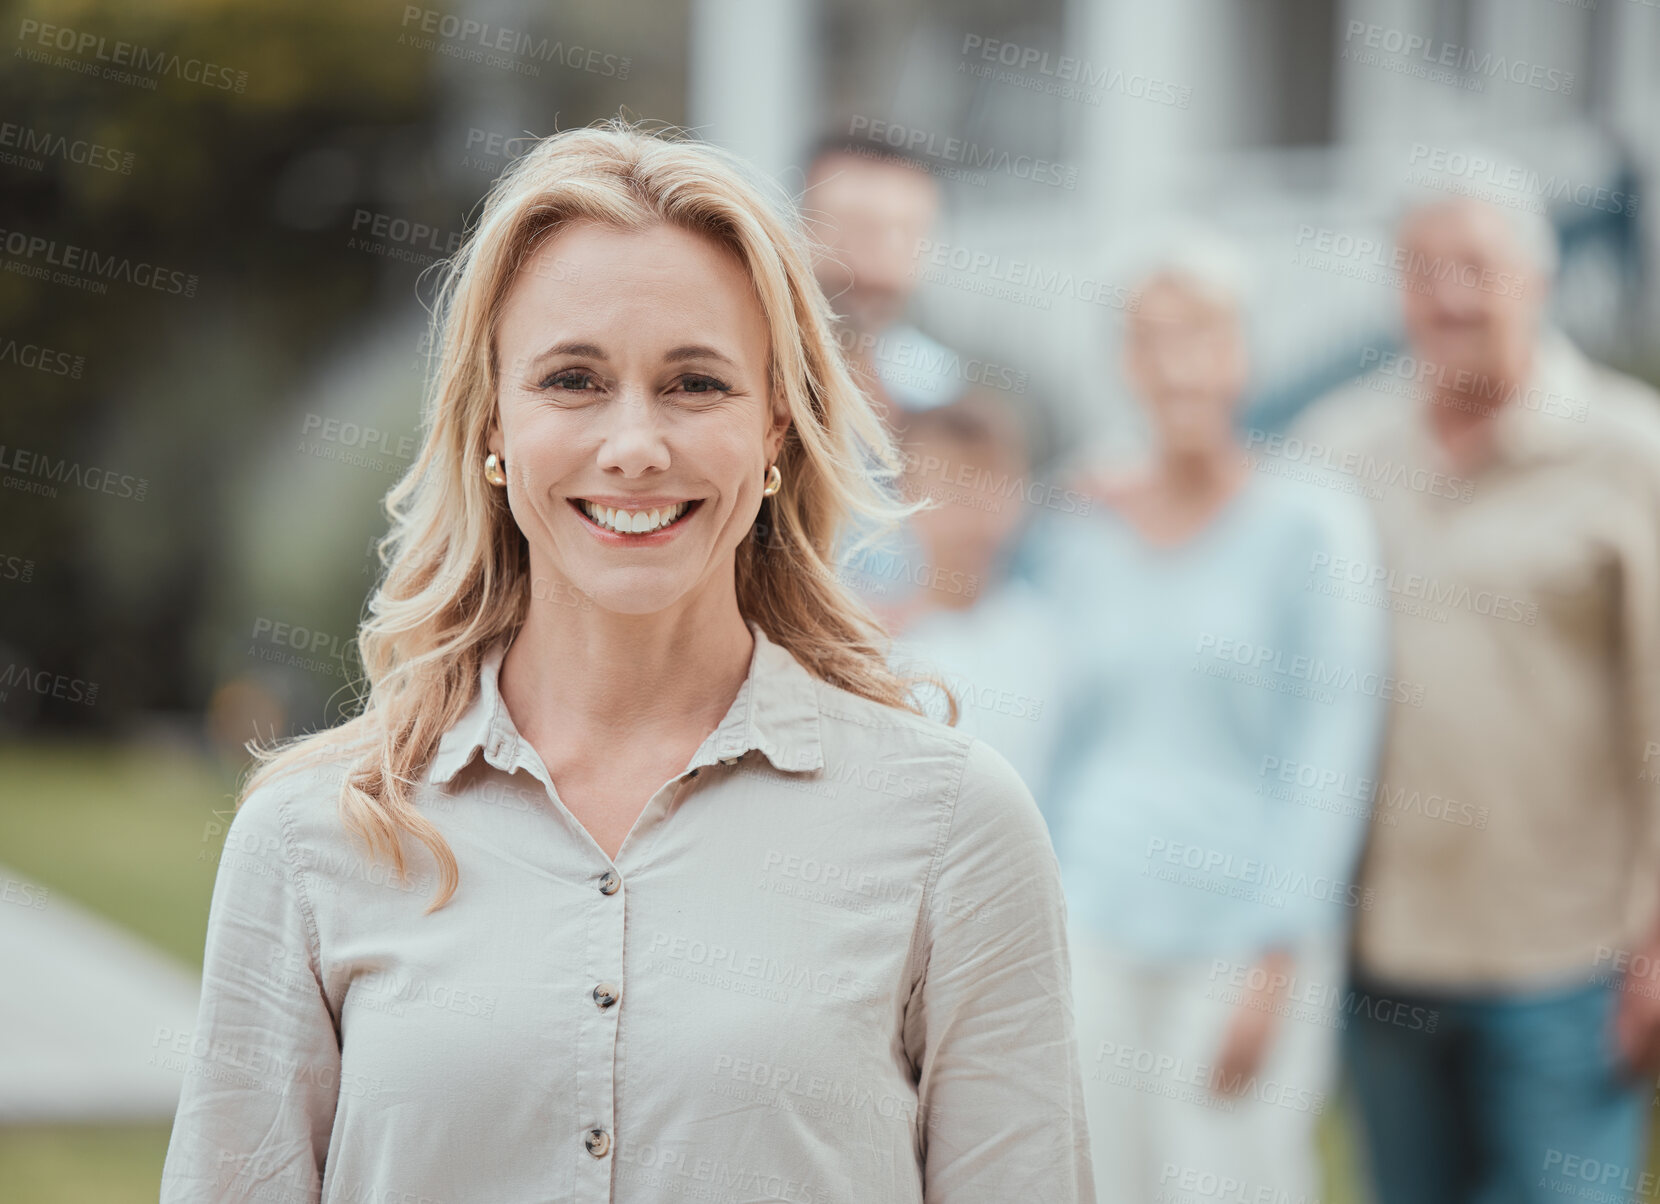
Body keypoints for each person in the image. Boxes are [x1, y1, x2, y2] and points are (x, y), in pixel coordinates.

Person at [160, 121, 1094, 1203]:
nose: (635, 444)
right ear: (490, 427)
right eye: (572, 379)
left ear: (777, 431)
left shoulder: (954, 827)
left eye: (696, 383)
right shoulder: (312, 836)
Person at [1294, 195, 1660, 1204]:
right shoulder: (1337, 451)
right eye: (1420, 268)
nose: (1447, 294)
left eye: (1475, 266)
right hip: (1386, 956)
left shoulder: (1632, 454)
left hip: (1566, 962)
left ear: (1536, 282)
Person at [1024, 237, 1388, 1204]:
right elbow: (1043, 721)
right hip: (1094, 922)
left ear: (1243, 355)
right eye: (1152, 339)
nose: (1178, 362)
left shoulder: (1314, 522)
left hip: (1243, 935)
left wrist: (1278, 959)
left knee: (1231, 1181)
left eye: (1202, 335)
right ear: (1125, 363)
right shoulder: (1078, 527)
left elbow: (1333, 751)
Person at [882, 388, 1070, 805]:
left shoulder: (1053, 641)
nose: (973, 510)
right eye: (950, 484)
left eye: (992, 482)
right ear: (905, 492)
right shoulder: (870, 645)